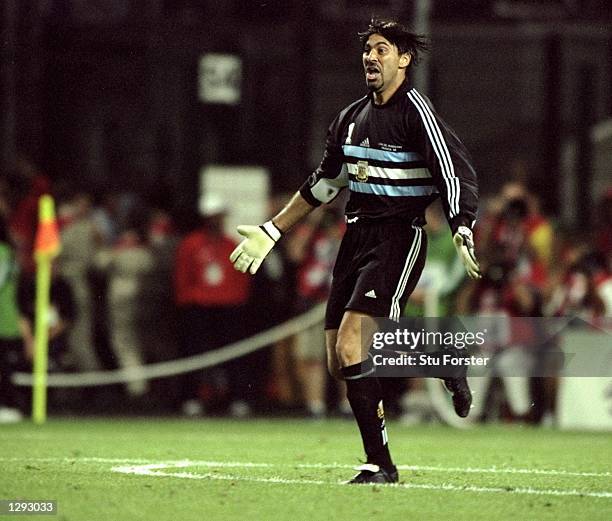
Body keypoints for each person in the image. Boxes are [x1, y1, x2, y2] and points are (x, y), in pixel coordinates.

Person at [230, 18, 481, 484]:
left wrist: (462, 223)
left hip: (398, 237)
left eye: (382, 49)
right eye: (368, 50)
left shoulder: (416, 113)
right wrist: (272, 230)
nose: (371, 57)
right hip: (356, 238)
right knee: (340, 360)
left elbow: (455, 172)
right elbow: (324, 185)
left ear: (404, 60)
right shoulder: (349, 117)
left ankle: (380, 464)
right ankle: (442, 359)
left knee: (352, 345)